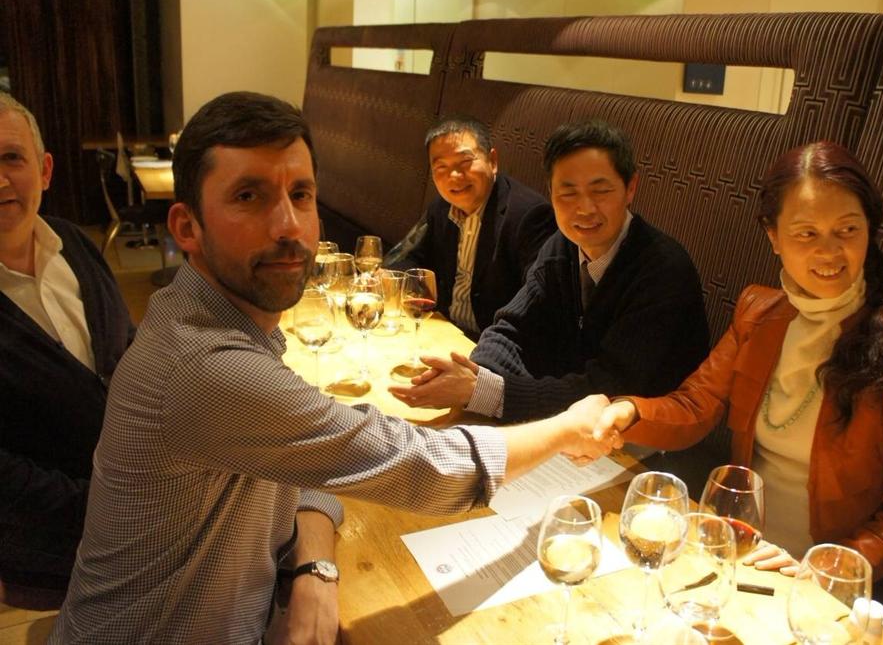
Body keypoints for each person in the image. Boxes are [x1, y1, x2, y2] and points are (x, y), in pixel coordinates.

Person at [50, 92, 616, 644]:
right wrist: (568, 428)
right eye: (248, 196)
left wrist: (314, 571)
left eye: (300, 194)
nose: (288, 225)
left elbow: (305, 476)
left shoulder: (216, 324)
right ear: (186, 227)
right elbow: (424, 467)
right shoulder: (205, 365)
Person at [593, 140, 883, 584]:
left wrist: (825, 567)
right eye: (806, 233)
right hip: (739, 548)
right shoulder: (758, 314)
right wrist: (628, 411)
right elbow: (696, 406)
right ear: (774, 237)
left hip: (825, 578)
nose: (829, 252)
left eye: (847, 230)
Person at [391, 119, 710, 423]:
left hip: (644, 439)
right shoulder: (562, 246)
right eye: (568, 192)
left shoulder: (662, 270)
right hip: (568, 417)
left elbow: (612, 386)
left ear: (630, 188)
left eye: (600, 191)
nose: (584, 208)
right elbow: (512, 329)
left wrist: (484, 391)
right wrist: (473, 373)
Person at [0, 93, 134, 609]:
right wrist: (109, 505)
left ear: (45, 170)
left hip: (142, 508)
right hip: (52, 544)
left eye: (12, 158)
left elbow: (126, 348)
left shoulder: (74, 243)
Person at [385, 116, 555, 338]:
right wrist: (386, 278)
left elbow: (536, 303)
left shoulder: (529, 215)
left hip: (491, 342)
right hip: (443, 328)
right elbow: (405, 256)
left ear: (492, 161)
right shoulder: (441, 207)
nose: (454, 176)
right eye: (441, 166)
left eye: (465, 162)